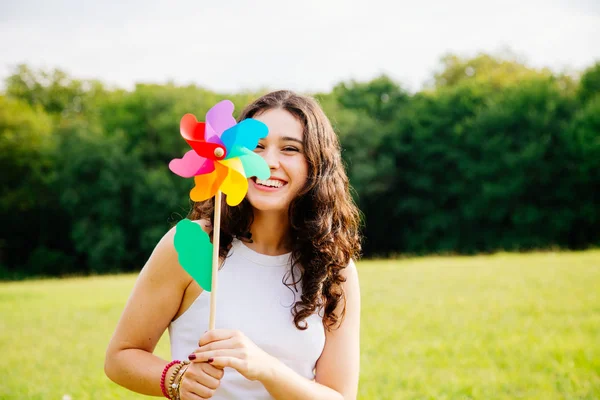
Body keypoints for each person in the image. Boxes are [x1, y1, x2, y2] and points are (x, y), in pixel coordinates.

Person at [104, 90, 362, 399]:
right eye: (256, 146)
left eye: (290, 148)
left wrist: (266, 368)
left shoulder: (333, 267)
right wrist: (176, 378)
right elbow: (121, 356)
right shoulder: (194, 243)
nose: (268, 162)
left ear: (315, 165)